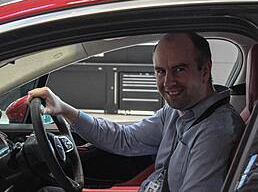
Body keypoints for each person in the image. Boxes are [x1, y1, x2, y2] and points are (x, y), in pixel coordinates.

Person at [29, 32, 244, 192]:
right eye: (161, 71)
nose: (168, 82)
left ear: (204, 71)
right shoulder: (176, 112)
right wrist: (65, 110)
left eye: (179, 69)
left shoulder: (216, 132)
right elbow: (125, 138)